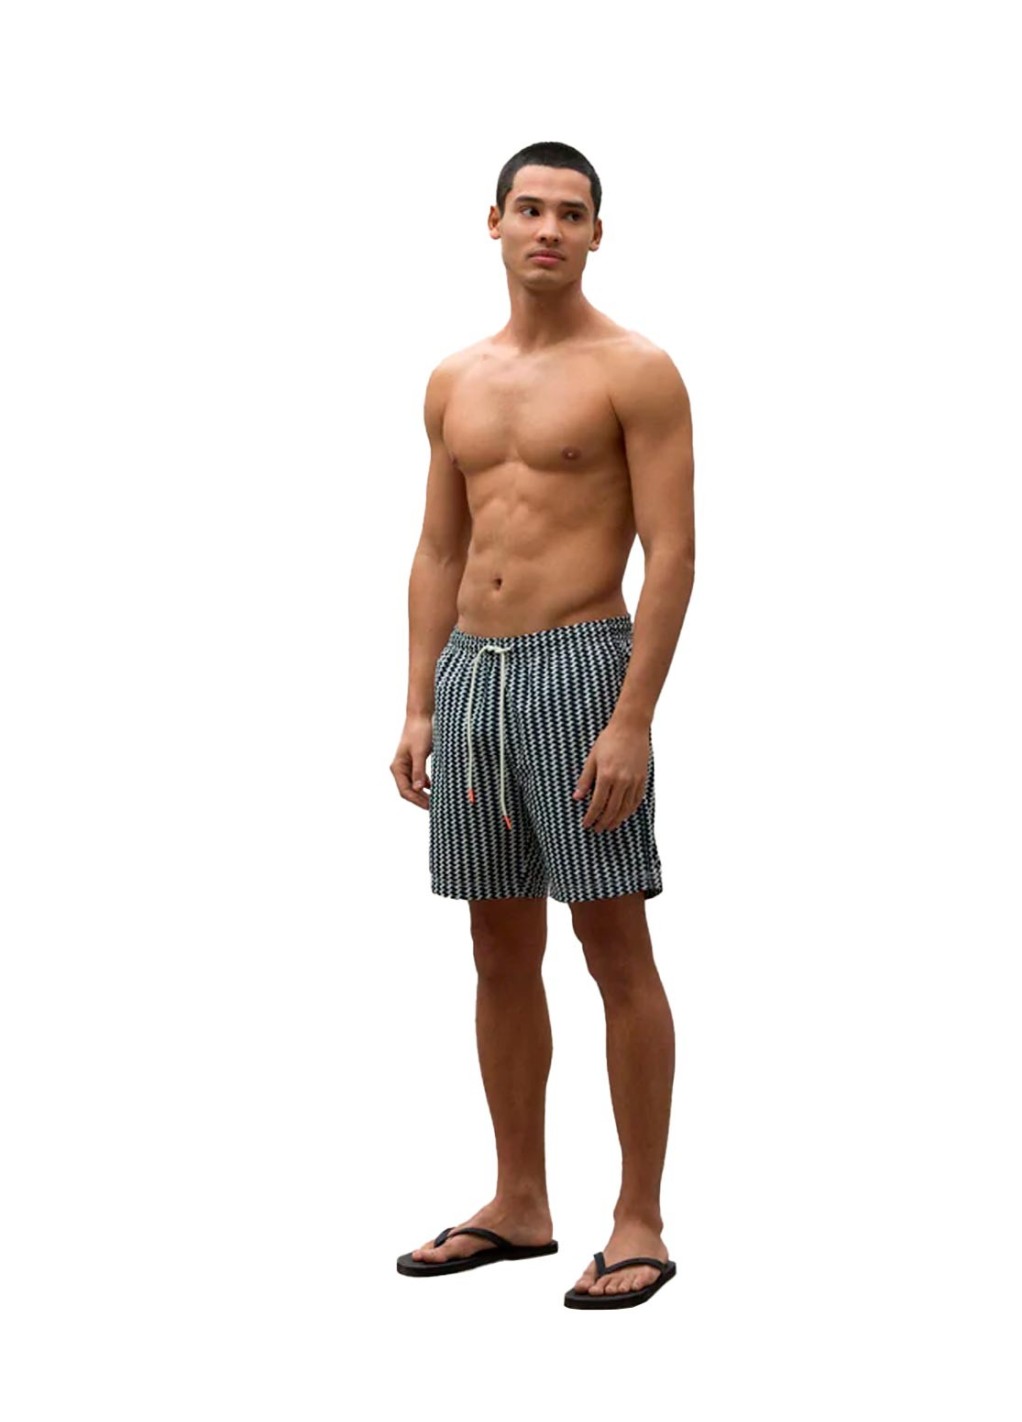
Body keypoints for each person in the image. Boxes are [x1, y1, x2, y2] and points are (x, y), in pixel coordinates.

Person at [390, 140, 694, 1309]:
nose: (548, 230)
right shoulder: (452, 379)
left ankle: (638, 1218)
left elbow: (672, 553)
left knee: (612, 944)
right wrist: (419, 698)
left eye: (571, 213)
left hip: (580, 668)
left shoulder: (635, 371)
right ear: (494, 222)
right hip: (472, 671)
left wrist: (632, 719)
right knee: (495, 946)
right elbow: (438, 547)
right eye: (529, 209)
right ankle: (518, 1202)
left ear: (596, 234)